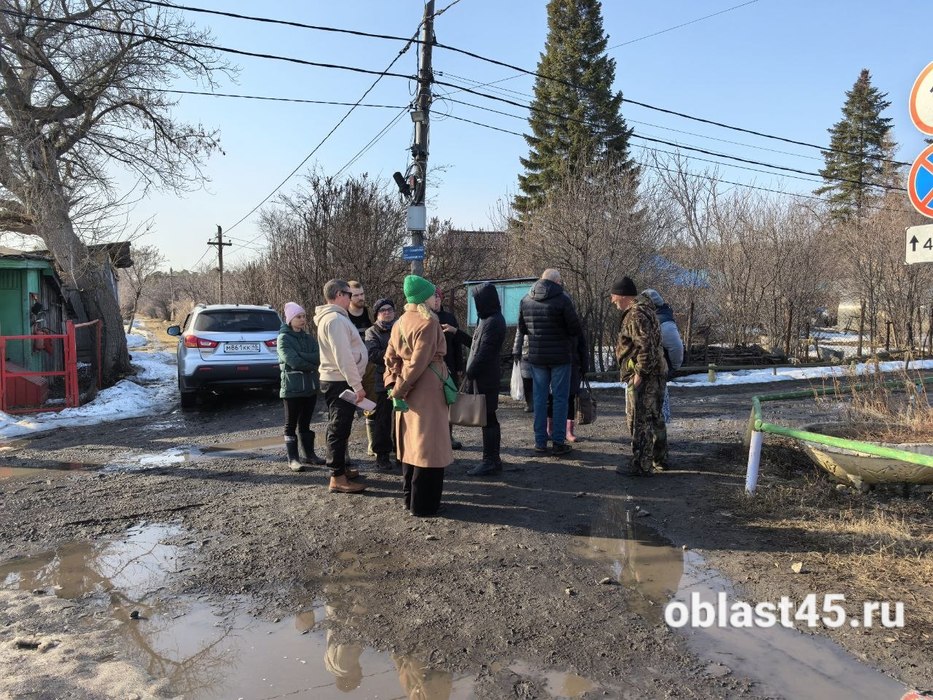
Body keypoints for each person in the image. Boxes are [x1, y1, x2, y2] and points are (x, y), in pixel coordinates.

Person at [384, 275, 453, 517]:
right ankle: (424, 505)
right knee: (429, 446)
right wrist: (399, 389)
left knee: (411, 445)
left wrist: (393, 384)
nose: (437, 298)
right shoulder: (429, 323)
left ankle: (409, 499)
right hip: (427, 389)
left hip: (409, 388)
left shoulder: (400, 321)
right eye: (434, 294)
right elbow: (418, 363)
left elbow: (390, 358)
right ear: (424, 297)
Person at [517, 268, 582, 456]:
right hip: (560, 356)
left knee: (539, 399)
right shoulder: (563, 299)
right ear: (556, 281)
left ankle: (540, 441)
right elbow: (574, 328)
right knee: (560, 399)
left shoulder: (526, 299)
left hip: (537, 356)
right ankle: (558, 441)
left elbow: (522, 328)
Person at [313, 279, 369, 494]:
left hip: (339, 380)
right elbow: (343, 356)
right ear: (338, 294)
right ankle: (337, 477)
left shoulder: (334, 318)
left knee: (340, 426)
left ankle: (341, 469)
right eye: (349, 293)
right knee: (339, 427)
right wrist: (357, 385)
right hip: (340, 381)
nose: (352, 298)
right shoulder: (335, 320)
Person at [610, 276, 668, 477]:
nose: (612, 300)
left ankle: (641, 466)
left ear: (623, 295)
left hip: (646, 375)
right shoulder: (646, 311)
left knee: (641, 420)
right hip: (656, 372)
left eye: (614, 296)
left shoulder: (635, 315)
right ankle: (660, 459)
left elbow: (646, 346)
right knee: (655, 417)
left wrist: (640, 374)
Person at [277, 302, 325, 472]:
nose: (303, 319)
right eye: (299, 317)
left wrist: (304, 356)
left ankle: (310, 455)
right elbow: (293, 361)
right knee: (290, 425)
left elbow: (319, 356)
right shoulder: (283, 338)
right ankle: (293, 459)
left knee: (305, 424)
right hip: (292, 389)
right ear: (290, 319)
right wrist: (309, 362)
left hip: (310, 389)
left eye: (304, 316)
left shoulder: (308, 338)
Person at [464, 283, 506, 476]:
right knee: (489, 417)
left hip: (486, 377)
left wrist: (470, 372)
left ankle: (490, 460)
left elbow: (485, 352)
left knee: (488, 417)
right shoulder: (489, 319)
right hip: (486, 375)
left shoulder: (493, 321)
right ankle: (492, 458)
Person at [641, 288, 684, 426]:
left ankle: (658, 440)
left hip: (657, 370)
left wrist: (673, 367)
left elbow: (676, 347)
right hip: (652, 370)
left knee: (656, 409)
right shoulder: (660, 317)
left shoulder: (664, 322)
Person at [434, 289, 470, 450]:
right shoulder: (423, 318)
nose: (435, 301)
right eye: (432, 297)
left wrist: (459, 367)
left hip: (450, 365)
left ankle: (448, 436)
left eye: (437, 298)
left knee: (449, 403)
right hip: (431, 368)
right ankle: (433, 436)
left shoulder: (449, 318)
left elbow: (457, 345)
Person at [364, 297, 397, 471]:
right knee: (382, 419)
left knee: (402, 418)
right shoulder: (372, 332)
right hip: (382, 380)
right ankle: (382, 455)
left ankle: (402, 452)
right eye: (383, 310)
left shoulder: (401, 327)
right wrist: (395, 353)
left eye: (389, 309)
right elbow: (373, 354)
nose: (387, 313)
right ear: (377, 314)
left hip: (402, 379)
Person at [512, 328, 534, 413]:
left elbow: (519, 333)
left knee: (529, 380)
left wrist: (516, 351)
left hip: (527, 350)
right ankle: (531, 404)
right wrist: (516, 351)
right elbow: (519, 332)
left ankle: (532, 404)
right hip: (527, 351)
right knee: (527, 380)